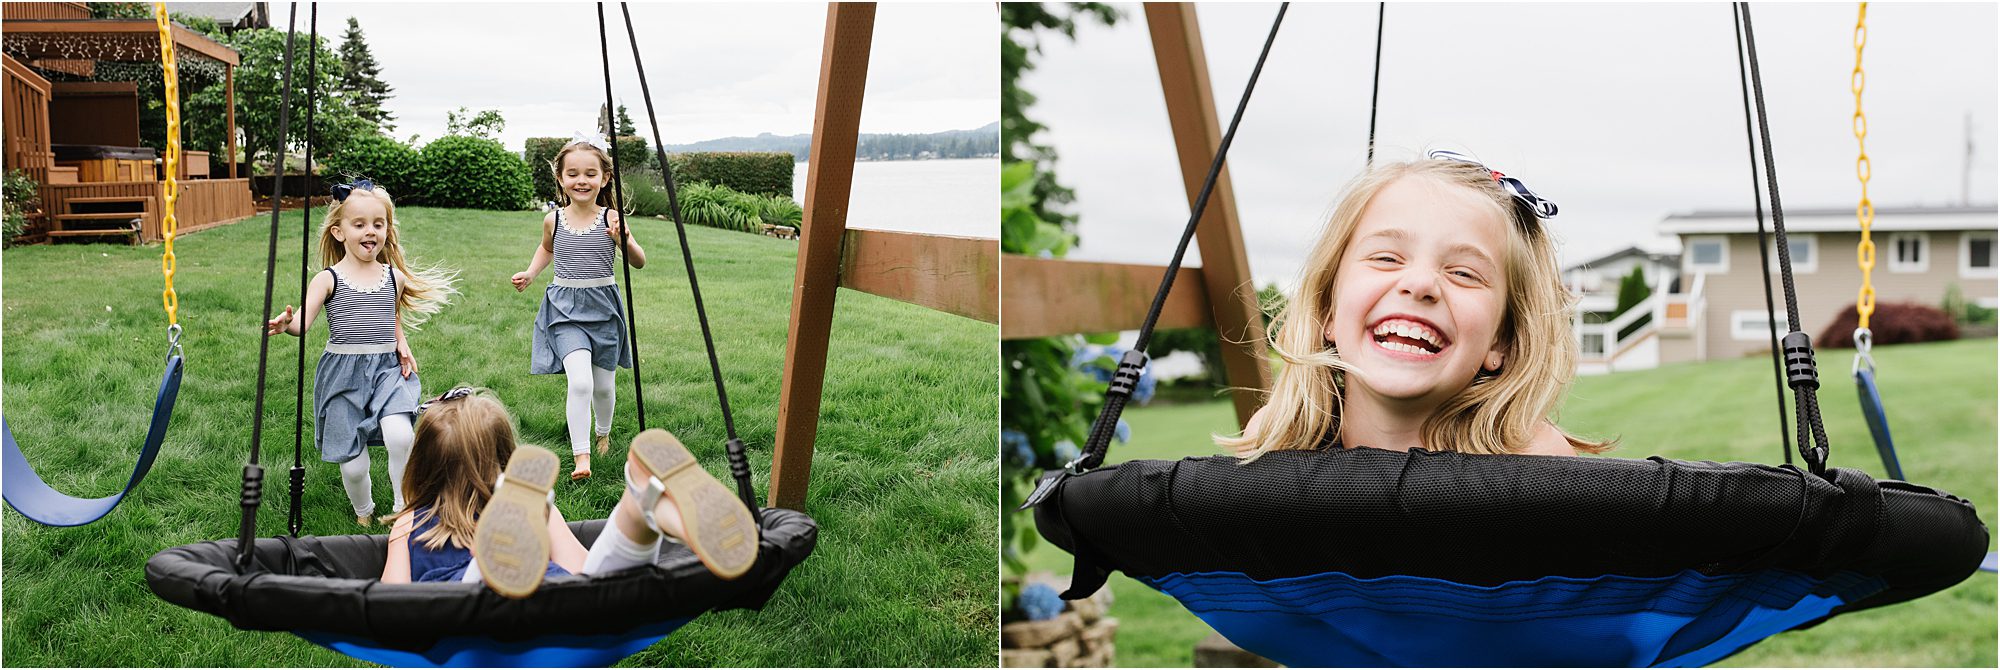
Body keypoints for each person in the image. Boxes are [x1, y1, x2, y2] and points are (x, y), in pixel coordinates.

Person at [1221, 151, 1611, 459]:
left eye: (1463, 273)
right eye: (1386, 258)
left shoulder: (1532, 461)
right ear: (1328, 311)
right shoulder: (1276, 442)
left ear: (1501, 341)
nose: (1421, 284)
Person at [380, 387, 759, 599]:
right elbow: (583, 571)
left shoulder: (410, 521)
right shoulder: (540, 512)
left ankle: (486, 569)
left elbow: (391, 606)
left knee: (470, 609)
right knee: (602, 590)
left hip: (463, 622)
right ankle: (643, 507)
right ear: (507, 462)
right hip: (554, 599)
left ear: (422, 467)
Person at [267, 180, 458, 526]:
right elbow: (304, 325)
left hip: (387, 371)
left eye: (378, 224)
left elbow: (392, 316)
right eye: (360, 225)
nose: (370, 232)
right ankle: (364, 513)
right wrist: (287, 325)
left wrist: (401, 341)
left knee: (401, 436)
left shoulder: (393, 277)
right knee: (353, 466)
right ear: (339, 232)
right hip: (343, 375)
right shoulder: (327, 280)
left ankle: (404, 506)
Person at [511, 133, 647, 480]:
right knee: (581, 383)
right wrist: (531, 272)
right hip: (565, 310)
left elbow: (639, 262)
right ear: (560, 178)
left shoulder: (611, 219)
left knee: (603, 386)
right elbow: (548, 249)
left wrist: (624, 239)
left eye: (590, 173)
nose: (581, 180)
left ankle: (603, 433)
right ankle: (581, 456)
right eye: (573, 173)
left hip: (603, 308)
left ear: (605, 178)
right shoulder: (553, 219)